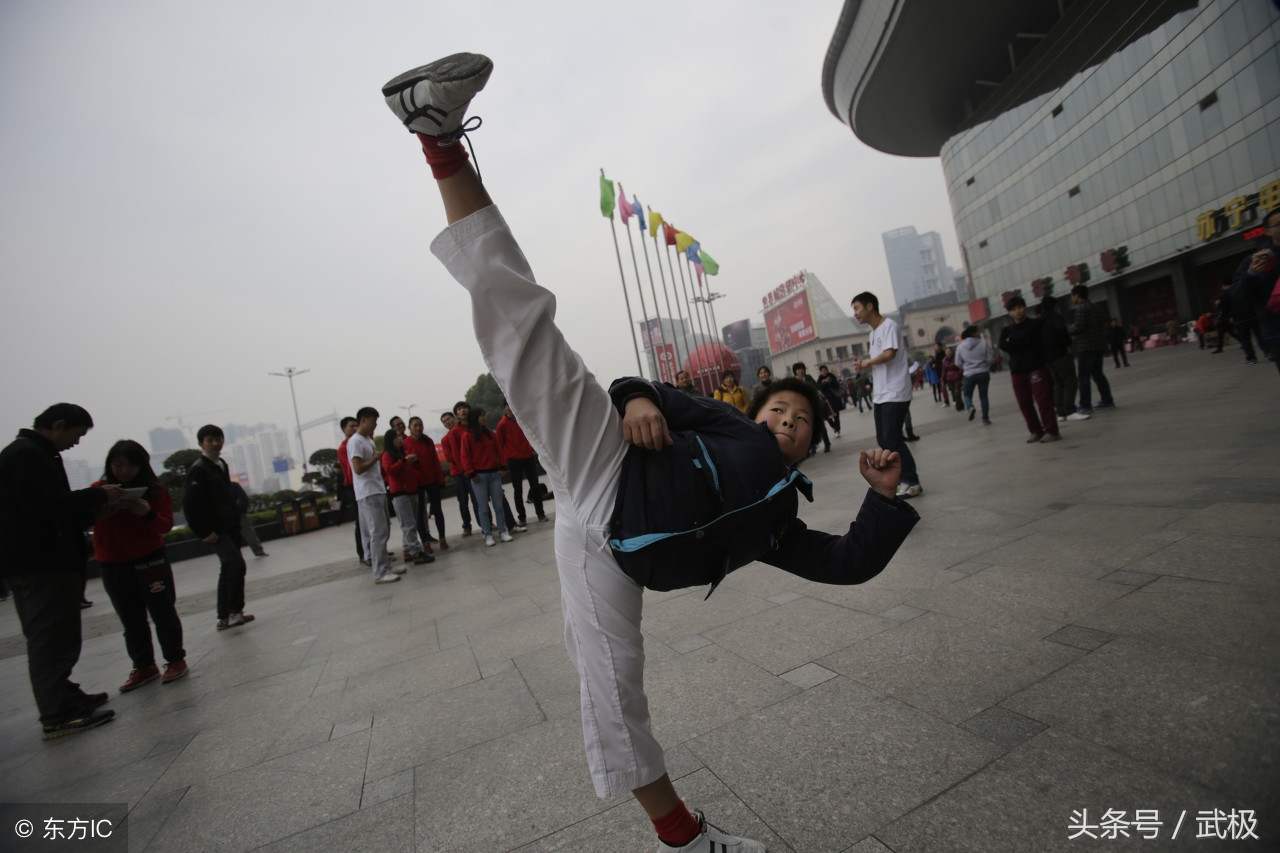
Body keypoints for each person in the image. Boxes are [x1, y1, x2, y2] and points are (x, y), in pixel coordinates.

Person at [381, 52, 920, 852]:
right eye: (778, 407)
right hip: (611, 467)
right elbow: (663, 394)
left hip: (614, 554)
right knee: (529, 338)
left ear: (809, 448)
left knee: (612, 692)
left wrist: (883, 498)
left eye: (799, 422)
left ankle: (685, 838)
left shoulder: (777, 525)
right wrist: (634, 398)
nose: (784, 422)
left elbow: (847, 563)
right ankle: (437, 137)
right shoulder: (735, 425)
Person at [0, 404, 121, 739]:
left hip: (40, 560)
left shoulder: (34, 453)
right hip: (39, 563)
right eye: (77, 435)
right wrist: (96, 494)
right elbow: (41, 506)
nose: (76, 443)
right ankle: (56, 713)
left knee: (57, 635)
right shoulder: (26, 455)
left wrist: (94, 512)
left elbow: (49, 510)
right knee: (49, 638)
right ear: (59, 425)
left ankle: (64, 694)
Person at [92, 440, 188, 692]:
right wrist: (99, 511)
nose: (124, 471)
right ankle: (144, 665)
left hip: (149, 559)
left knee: (162, 611)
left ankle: (175, 659)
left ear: (142, 466)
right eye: (118, 465)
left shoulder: (155, 492)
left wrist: (146, 512)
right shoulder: (98, 490)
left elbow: (164, 525)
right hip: (112, 562)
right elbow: (81, 519)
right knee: (130, 617)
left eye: (131, 466)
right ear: (110, 464)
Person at [851, 292, 922, 497]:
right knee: (884, 439)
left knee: (892, 438)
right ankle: (901, 479)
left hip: (896, 391)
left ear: (870, 306)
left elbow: (889, 354)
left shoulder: (889, 325)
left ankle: (911, 480)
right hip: (881, 393)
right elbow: (881, 358)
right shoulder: (873, 334)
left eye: (857, 308)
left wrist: (867, 363)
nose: (855, 313)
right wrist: (864, 364)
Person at [185, 425, 256, 630]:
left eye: (218, 439)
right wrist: (203, 532)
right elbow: (191, 505)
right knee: (236, 565)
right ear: (201, 443)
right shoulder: (199, 469)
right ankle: (234, 612)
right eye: (210, 440)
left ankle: (225, 616)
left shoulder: (220, 464)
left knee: (228, 568)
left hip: (229, 526)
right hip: (215, 530)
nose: (216, 444)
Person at [998, 297, 1061, 443]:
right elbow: (1003, 346)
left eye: (1020, 307)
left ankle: (1051, 431)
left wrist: (1014, 342)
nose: (1017, 311)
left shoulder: (1037, 324)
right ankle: (1035, 430)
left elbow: (1038, 339)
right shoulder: (1006, 330)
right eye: (1013, 309)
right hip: (1017, 371)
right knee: (1024, 403)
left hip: (1036, 367)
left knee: (1043, 400)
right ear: (1009, 313)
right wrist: (1025, 340)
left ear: (1025, 308)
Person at [349, 407, 400, 583]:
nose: (375, 425)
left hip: (378, 489)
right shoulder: (355, 441)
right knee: (377, 532)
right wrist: (375, 459)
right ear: (363, 420)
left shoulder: (367, 440)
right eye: (373, 421)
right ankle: (380, 572)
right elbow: (358, 468)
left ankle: (386, 566)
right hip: (367, 492)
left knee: (384, 528)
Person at [1230, 207, 1280, 374]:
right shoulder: (1257, 261)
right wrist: (1252, 274)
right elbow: (1237, 295)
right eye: (1279, 224)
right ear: (1267, 231)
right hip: (1277, 329)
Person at [381, 429, 434, 565]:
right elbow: (389, 471)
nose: (400, 439)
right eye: (396, 437)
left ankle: (407, 550)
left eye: (400, 436)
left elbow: (411, 470)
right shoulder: (388, 455)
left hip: (411, 490)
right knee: (408, 524)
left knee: (410, 523)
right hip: (400, 493)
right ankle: (416, 552)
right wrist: (403, 461)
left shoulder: (402, 453)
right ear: (390, 440)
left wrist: (413, 461)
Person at [461, 407, 510, 546]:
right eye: (481, 416)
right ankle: (487, 534)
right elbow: (465, 456)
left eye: (484, 415)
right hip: (478, 476)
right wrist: (471, 473)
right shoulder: (467, 436)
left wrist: (502, 466)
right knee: (482, 508)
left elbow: (499, 450)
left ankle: (503, 531)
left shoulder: (490, 433)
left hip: (494, 474)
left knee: (498, 505)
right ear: (474, 418)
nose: (484, 418)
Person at [496, 400, 549, 525]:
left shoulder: (523, 420)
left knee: (535, 487)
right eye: (507, 405)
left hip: (528, 457)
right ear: (505, 408)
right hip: (514, 460)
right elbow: (500, 444)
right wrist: (503, 463)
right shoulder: (502, 425)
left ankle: (540, 513)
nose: (510, 407)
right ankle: (522, 517)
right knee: (518, 489)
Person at [1068, 285, 1115, 414]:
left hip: (1086, 347)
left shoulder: (1081, 309)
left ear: (1077, 295)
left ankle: (1085, 404)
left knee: (1083, 376)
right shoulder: (1096, 307)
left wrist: (1072, 328)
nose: (1073, 299)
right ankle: (1107, 399)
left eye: (1073, 296)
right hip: (1098, 345)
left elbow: (1080, 328)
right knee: (1098, 374)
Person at [406, 416, 449, 549]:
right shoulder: (406, 443)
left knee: (437, 510)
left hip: (432, 480)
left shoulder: (428, 441)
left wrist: (441, 479)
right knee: (420, 514)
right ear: (410, 428)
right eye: (415, 425)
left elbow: (435, 462)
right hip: (417, 483)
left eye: (420, 425)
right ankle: (425, 541)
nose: (418, 428)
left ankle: (442, 537)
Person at [1040, 297, 1081, 422]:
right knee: (1069, 381)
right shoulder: (1056, 318)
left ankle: (1061, 412)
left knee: (1057, 384)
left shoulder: (1040, 321)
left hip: (1047, 358)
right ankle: (1069, 409)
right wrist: (1068, 344)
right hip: (1059, 354)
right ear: (1055, 306)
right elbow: (1061, 331)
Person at [440, 409, 477, 537]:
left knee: (477, 498)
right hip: (458, 473)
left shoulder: (464, 431)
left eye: (449, 419)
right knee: (463, 501)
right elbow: (450, 457)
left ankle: (486, 522)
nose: (448, 422)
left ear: (454, 418)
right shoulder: (445, 439)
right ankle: (467, 526)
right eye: (444, 421)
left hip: (470, 470)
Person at [336, 416, 367, 565]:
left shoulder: (361, 441)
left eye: (356, 425)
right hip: (353, 486)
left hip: (362, 483)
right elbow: (349, 468)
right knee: (360, 520)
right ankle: (362, 552)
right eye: (351, 426)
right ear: (344, 429)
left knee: (370, 520)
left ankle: (374, 549)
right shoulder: (344, 448)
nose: (355, 428)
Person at [953, 326, 994, 425]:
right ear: (973, 333)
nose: (979, 334)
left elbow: (957, 362)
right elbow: (990, 359)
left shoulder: (960, 346)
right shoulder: (983, 344)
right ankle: (985, 419)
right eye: (977, 332)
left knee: (967, 395)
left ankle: (970, 407)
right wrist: (985, 366)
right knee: (983, 397)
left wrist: (966, 368)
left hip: (969, 374)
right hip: (983, 373)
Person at [791, 362, 831, 454]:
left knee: (821, 426)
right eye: (798, 370)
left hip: (813, 406)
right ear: (795, 372)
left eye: (802, 369)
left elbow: (817, 389)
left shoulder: (809, 378)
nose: (800, 371)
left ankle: (827, 443)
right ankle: (812, 447)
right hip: (801, 408)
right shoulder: (794, 382)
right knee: (808, 428)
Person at [229, 481, 268, 557]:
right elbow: (243, 498)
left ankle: (234, 555)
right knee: (249, 533)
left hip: (225, 517)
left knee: (230, 537)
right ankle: (258, 550)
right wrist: (240, 510)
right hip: (238, 514)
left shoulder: (213, 488)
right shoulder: (233, 485)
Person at [816, 365, 845, 436]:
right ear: (820, 372)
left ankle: (838, 430)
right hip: (826, 401)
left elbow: (837, 385)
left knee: (836, 416)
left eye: (825, 370)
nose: (824, 372)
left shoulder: (832, 376)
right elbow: (818, 388)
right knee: (827, 417)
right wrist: (823, 383)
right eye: (822, 370)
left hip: (834, 399)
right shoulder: (820, 379)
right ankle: (834, 427)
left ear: (827, 370)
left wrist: (830, 381)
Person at [941, 346, 964, 412]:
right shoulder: (944, 360)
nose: (948, 352)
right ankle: (960, 404)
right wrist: (943, 379)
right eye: (947, 351)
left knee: (957, 392)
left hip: (957, 377)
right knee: (953, 392)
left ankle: (958, 406)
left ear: (952, 351)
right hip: (949, 378)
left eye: (949, 351)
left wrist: (960, 374)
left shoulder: (956, 358)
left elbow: (960, 366)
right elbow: (944, 370)